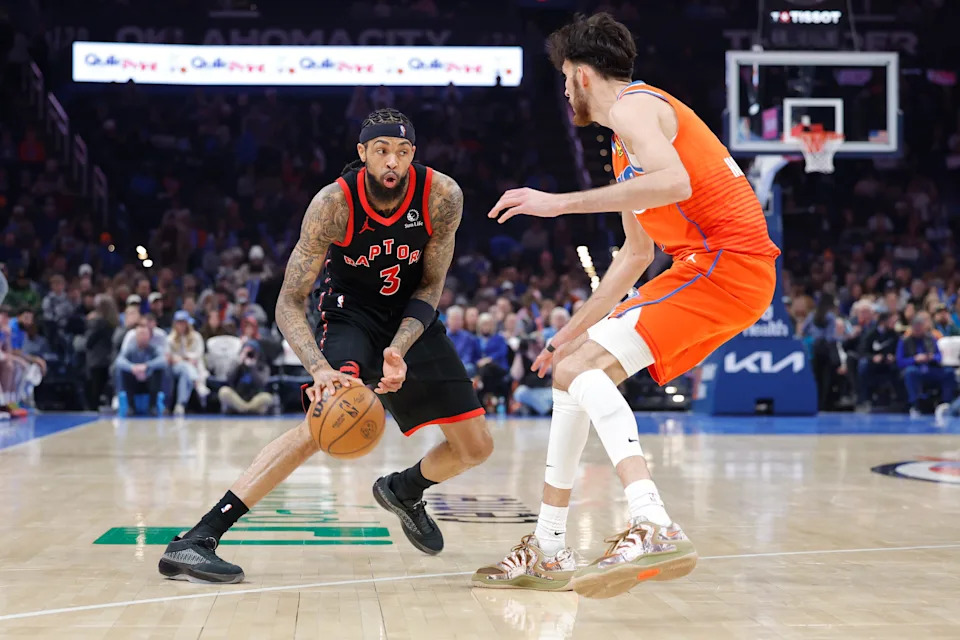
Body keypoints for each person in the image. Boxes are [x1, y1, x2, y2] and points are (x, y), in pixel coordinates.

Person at [476, 13, 779, 598]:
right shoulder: (623, 144)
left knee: (580, 373)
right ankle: (548, 545)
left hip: (724, 264)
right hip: (717, 272)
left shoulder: (634, 108)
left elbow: (675, 184)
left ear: (584, 74)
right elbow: (635, 257)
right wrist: (568, 331)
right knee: (570, 373)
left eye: (566, 78)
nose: (564, 92)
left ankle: (652, 521)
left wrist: (557, 203)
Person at [160, 108, 491, 584]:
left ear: (413, 155)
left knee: (475, 447)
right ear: (362, 154)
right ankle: (197, 538)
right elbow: (288, 302)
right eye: (381, 151)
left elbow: (431, 286)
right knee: (324, 420)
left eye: (401, 151)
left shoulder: (442, 196)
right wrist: (318, 369)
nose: (392, 161)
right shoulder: (333, 204)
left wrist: (399, 348)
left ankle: (404, 490)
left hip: (409, 321)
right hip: (349, 316)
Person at [896, 311, 955, 417]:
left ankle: (946, 403)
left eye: (920, 328)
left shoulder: (931, 338)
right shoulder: (904, 341)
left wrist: (931, 357)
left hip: (930, 368)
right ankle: (914, 404)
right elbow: (900, 362)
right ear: (912, 328)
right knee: (911, 372)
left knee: (949, 372)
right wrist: (915, 359)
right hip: (915, 369)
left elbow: (939, 356)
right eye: (916, 328)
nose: (918, 331)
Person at [115, 321, 168, 416]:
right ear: (136, 336)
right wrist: (132, 367)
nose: (142, 337)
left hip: (149, 381)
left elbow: (163, 360)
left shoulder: (154, 349)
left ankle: (153, 406)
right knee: (122, 371)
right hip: (133, 381)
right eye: (140, 334)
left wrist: (147, 366)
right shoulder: (130, 349)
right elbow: (119, 360)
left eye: (145, 334)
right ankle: (131, 407)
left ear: (149, 336)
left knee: (159, 371)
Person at [856, 311, 901, 411]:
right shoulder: (870, 334)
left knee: (898, 367)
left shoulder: (894, 335)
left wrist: (892, 356)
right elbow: (862, 351)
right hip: (872, 362)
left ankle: (899, 400)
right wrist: (872, 357)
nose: (894, 323)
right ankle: (863, 399)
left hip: (887, 363)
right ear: (883, 322)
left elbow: (897, 351)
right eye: (891, 321)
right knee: (863, 365)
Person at [168, 309, 210, 416]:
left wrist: (189, 358)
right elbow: (170, 356)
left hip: (192, 365)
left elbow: (199, 353)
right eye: (179, 323)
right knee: (184, 367)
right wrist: (183, 359)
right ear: (175, 324)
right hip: (176, 367)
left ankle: (181, 404)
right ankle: (198, 383)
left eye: (184, 323)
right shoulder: (170, 339)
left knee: (187, 371)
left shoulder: (196, 337)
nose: (181, 325)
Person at [216, 340, 274, 414]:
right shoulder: (237, 363)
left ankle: (243, 409)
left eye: (252, 352)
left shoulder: (263, 366)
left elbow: (261, 384)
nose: (249, 354)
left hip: (254, 398)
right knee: (224, 391)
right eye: (246, 352)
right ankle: (248, 410)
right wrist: (239, 364)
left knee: (267, 397)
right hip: (237, 398)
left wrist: (253, 368)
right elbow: (229, 379)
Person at [84, 294, 119, 410]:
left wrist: (88, 322)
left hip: (97, 360)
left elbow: (89, 342)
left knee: (95, 391)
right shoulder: (115, 322)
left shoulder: (97, 322)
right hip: (110, 358)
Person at [446, 305, 480, 376]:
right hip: (445, 365)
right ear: (448, 320)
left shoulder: (468, 337)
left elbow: (467, 356)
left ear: (462, 321)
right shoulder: (441, 335)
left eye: (458, 319)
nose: (456, 322)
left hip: (462, 365)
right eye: (453, 319)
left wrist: (456, 367)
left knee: (470, 368)